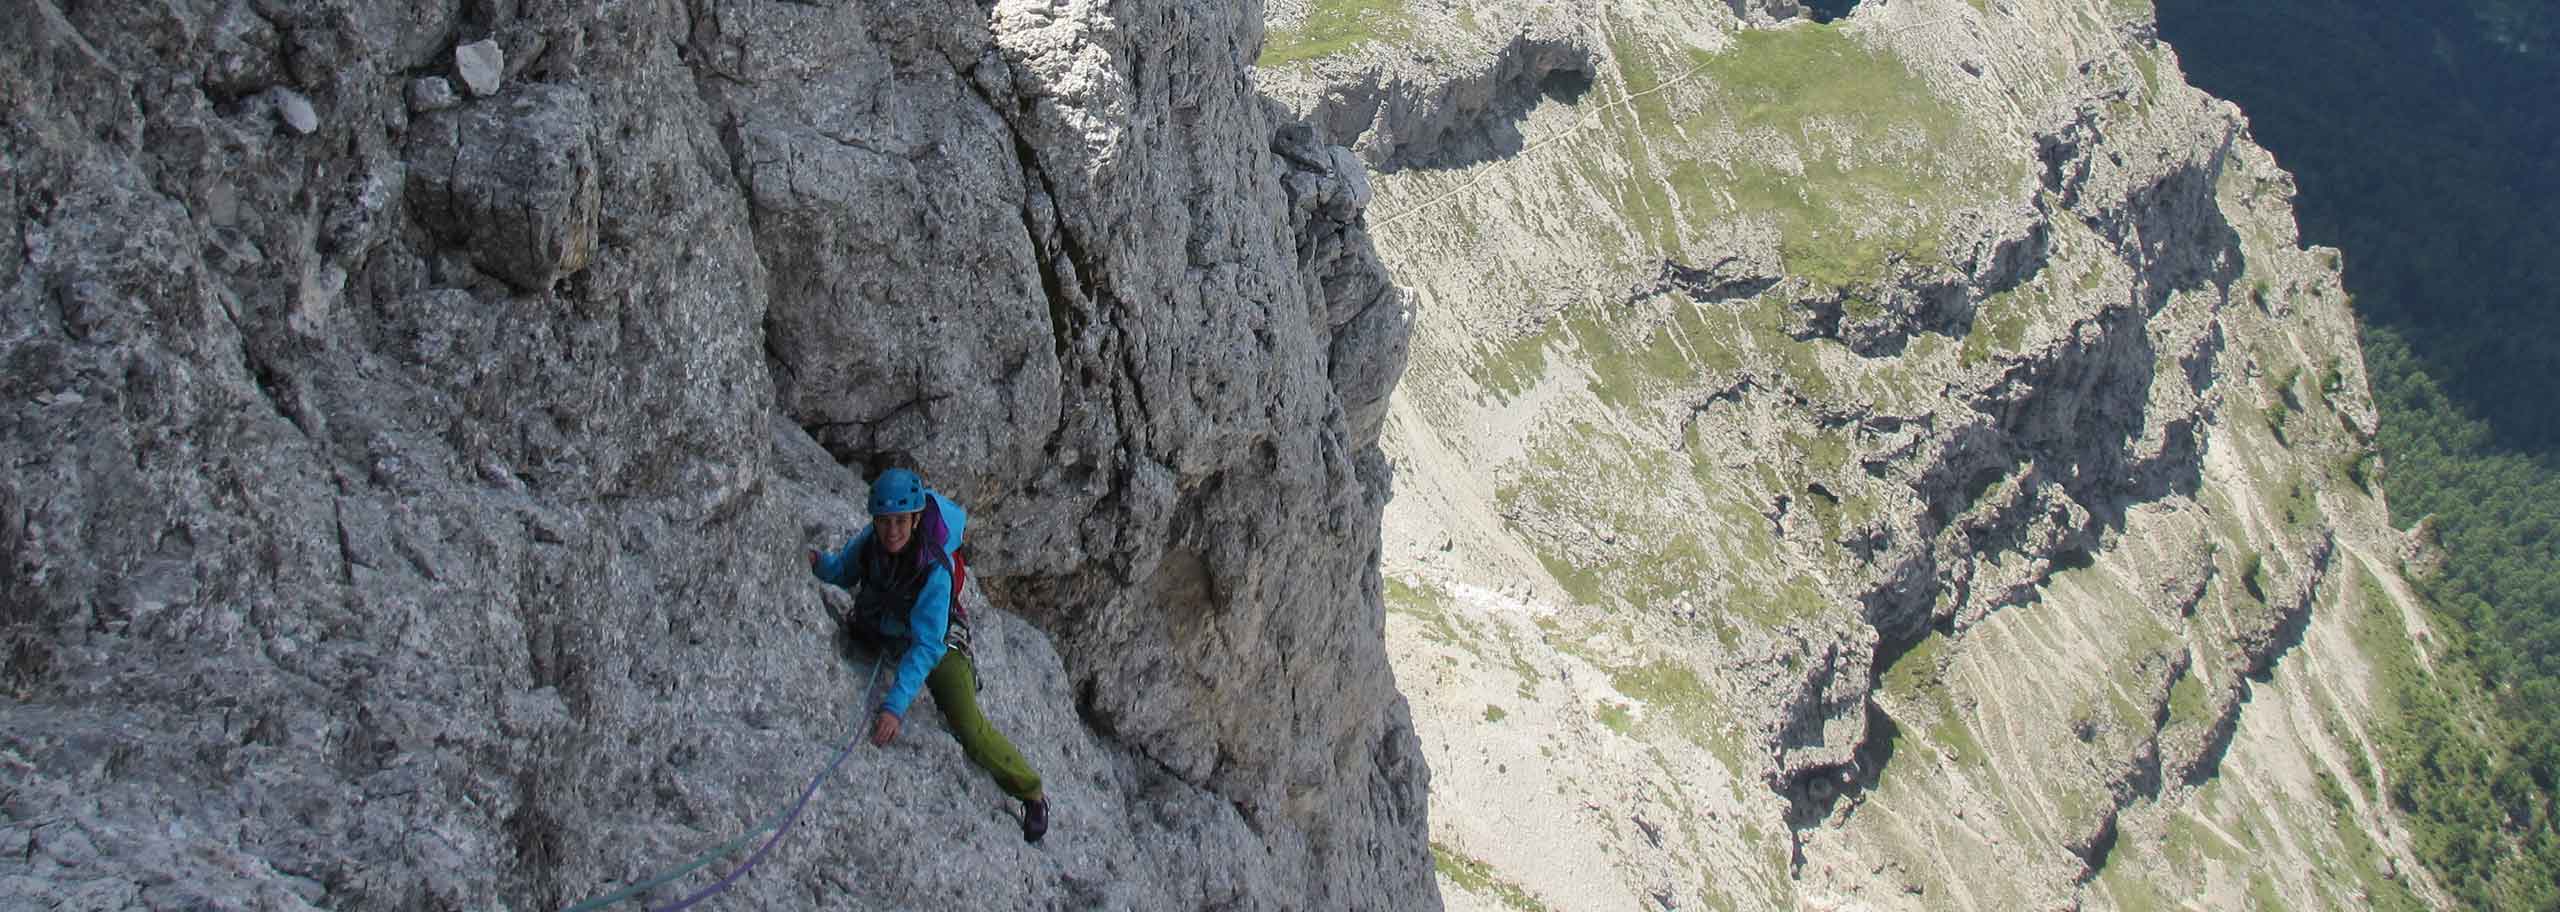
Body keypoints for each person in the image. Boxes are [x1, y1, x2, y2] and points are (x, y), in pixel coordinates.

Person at [809, 467, 1049, 843]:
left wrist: (894, 706)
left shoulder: (933, 569)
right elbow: (843, 570)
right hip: (887, 629)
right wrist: (816, 563)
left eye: (901, 521)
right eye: (885, 522)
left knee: (969, 726)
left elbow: (926, 645)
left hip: (937, 643)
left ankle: (1031, 792)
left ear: (917, 518)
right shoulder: (871, 542)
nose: (892, 531)